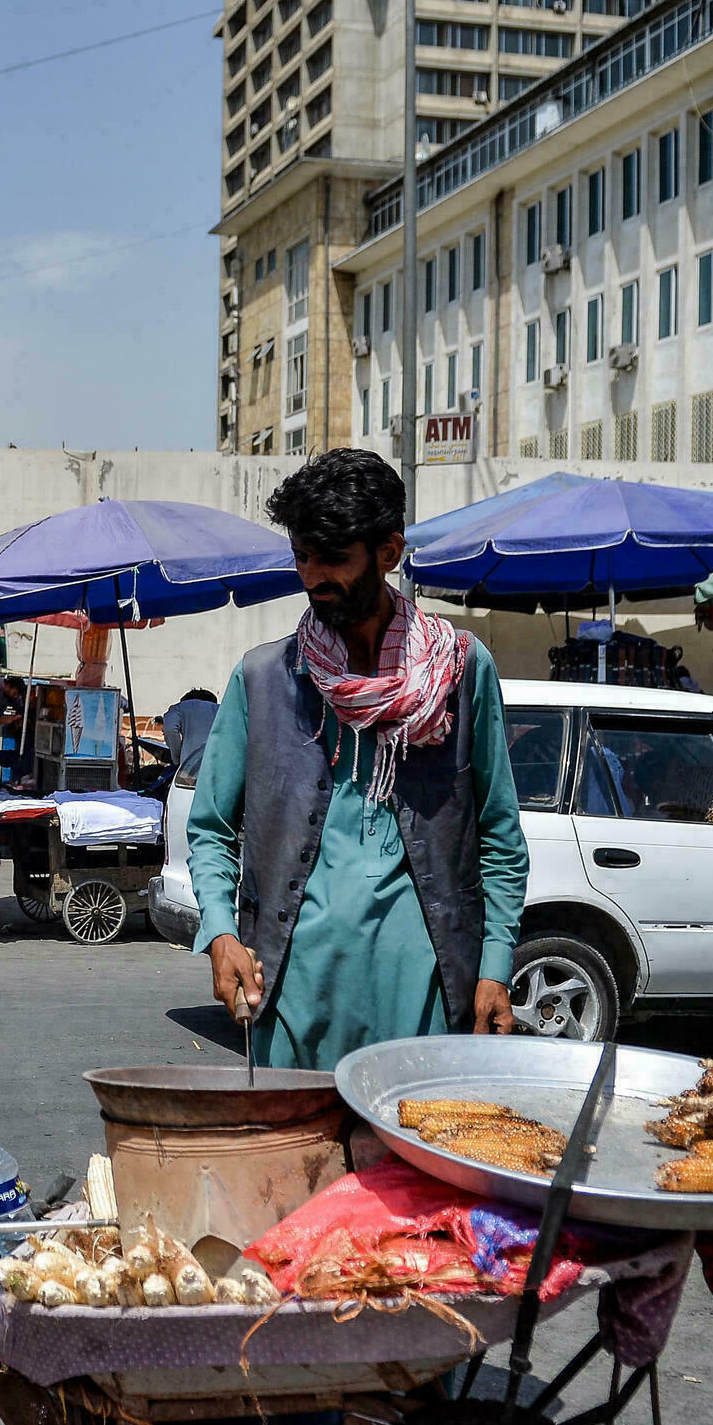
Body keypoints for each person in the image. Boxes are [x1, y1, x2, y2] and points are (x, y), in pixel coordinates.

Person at [189, 449, 527, 1069]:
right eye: (301, 556)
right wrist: (220, 931)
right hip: (289, 994)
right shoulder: (264, 679)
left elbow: (501, 835)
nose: (313, 575)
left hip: (426, 999)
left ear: (388, 553)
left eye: (334, 558)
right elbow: (211, 829)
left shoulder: (460, 672)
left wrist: (495, 967)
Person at [160, 688, 221, 780]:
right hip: (219, 766)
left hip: (190, 770)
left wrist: (177, 756)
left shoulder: (179, 708)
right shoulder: (221, 709)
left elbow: (170, 730)